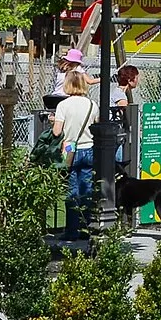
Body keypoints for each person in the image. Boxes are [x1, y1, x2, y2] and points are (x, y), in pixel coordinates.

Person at [52, 69, 99, 238]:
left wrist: (54, 121)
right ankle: (85, 228)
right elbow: (96, 125)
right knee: (86, 189)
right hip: (89, 148)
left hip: (69, 148)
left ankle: (71, 230)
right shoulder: (92, 104)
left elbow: (57, 132)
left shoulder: (63, 105)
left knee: (71, 190)